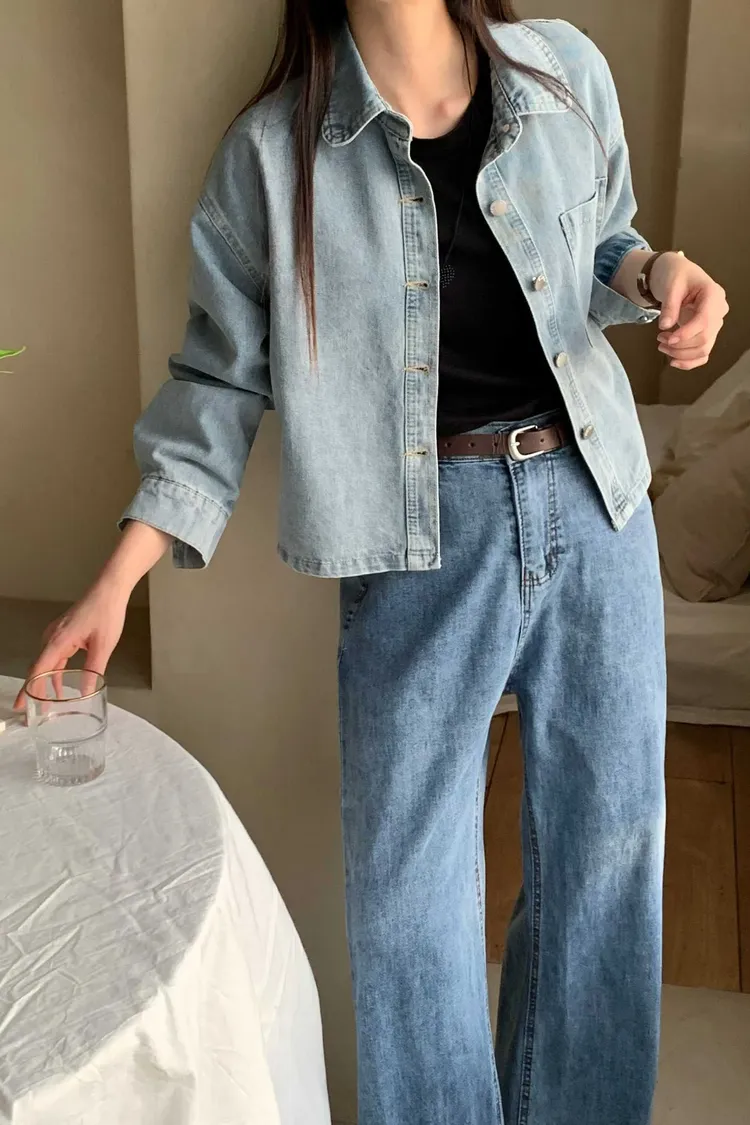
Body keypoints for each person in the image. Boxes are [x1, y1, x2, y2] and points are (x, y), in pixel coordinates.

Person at [21, 3, 728, 1123]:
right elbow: (218, 380)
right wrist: (120, 575)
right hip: (417, 541)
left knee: (607, 867)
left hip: (598, 500)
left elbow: (602, 242)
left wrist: (655, 272)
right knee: (410, 904)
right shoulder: (272, 157)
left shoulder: (562, 70)